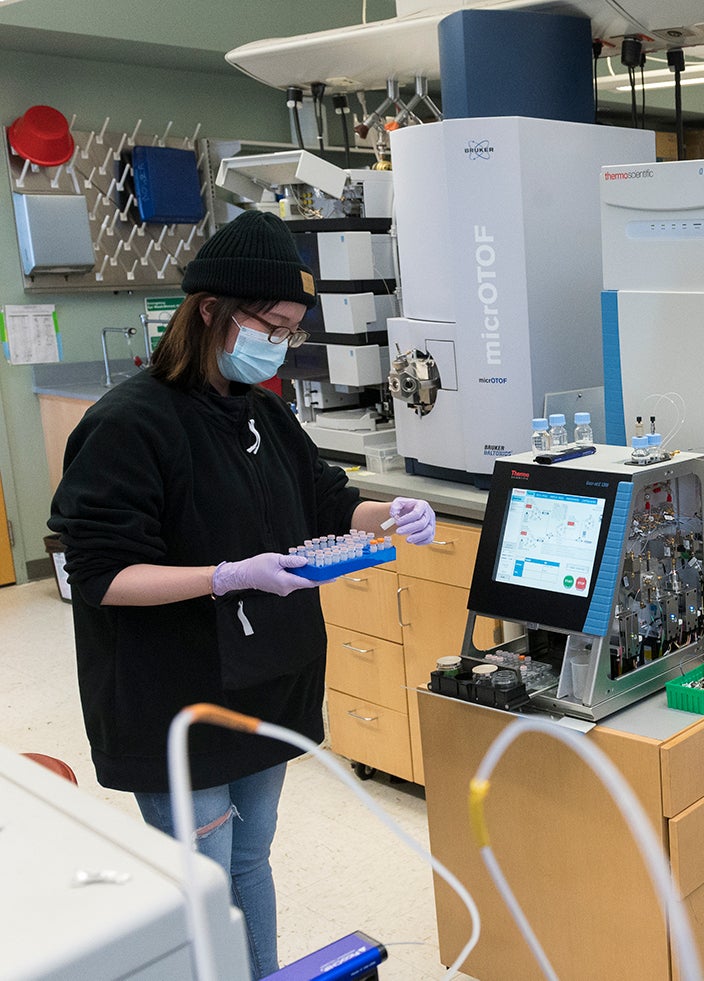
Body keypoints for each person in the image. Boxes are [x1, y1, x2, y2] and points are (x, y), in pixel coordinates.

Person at [48, 211, 437, 979]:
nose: (279, 344)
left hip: (268, 683)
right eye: (271, 325)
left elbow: (325, 499)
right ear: (209, 311)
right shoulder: (129, 425)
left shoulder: (261, 411)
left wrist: (385, 514)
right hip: (177, 698)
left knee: (249, 861)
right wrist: (224, 576)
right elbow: (99, 575)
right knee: (202, 882)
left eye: (292, 331)